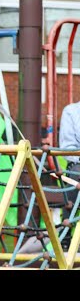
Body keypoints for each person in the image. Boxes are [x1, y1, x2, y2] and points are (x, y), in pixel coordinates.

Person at [59, 101, 80, 250]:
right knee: (77, 175)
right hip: (77, 164)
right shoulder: (71, 111)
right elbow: (68, 148)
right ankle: (66, 235)